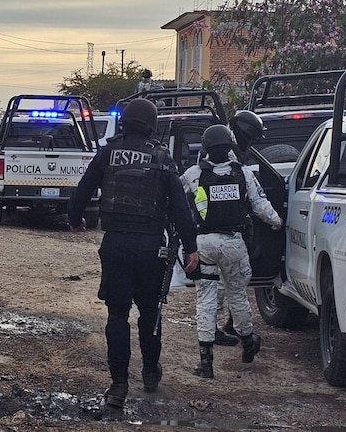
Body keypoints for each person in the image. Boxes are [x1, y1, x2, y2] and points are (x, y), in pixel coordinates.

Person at [67, 97, 200, 410]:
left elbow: (82, 192)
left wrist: (75, 220)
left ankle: (118, 385)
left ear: (125, 123)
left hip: (115, 246)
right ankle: (151, 373)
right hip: (151, 248)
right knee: (150, 313)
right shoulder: (163, 158)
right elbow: (181, 209)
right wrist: (192, 247)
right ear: (152, 126)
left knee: (117, 315)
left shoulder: (108, 153)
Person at [182, 124, 282, 379]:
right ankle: (248, 343)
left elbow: (177, 199)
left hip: (203, 244)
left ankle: (206, 364)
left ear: (205, 148)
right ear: (230, 147)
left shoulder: (194, 174)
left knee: (205, 299)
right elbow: (261, 205)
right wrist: (276, 222)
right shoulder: (244, 173)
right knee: (237, 296)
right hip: (234, 245)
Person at [212, 110, 268, 346]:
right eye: (253, 136)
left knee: (232, 283)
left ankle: (230, 326)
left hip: (231, 225)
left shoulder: (233, 149)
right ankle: (215, 330)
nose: (253, 141)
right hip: (223, 227)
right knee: (220, 285)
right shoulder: (226, 153)